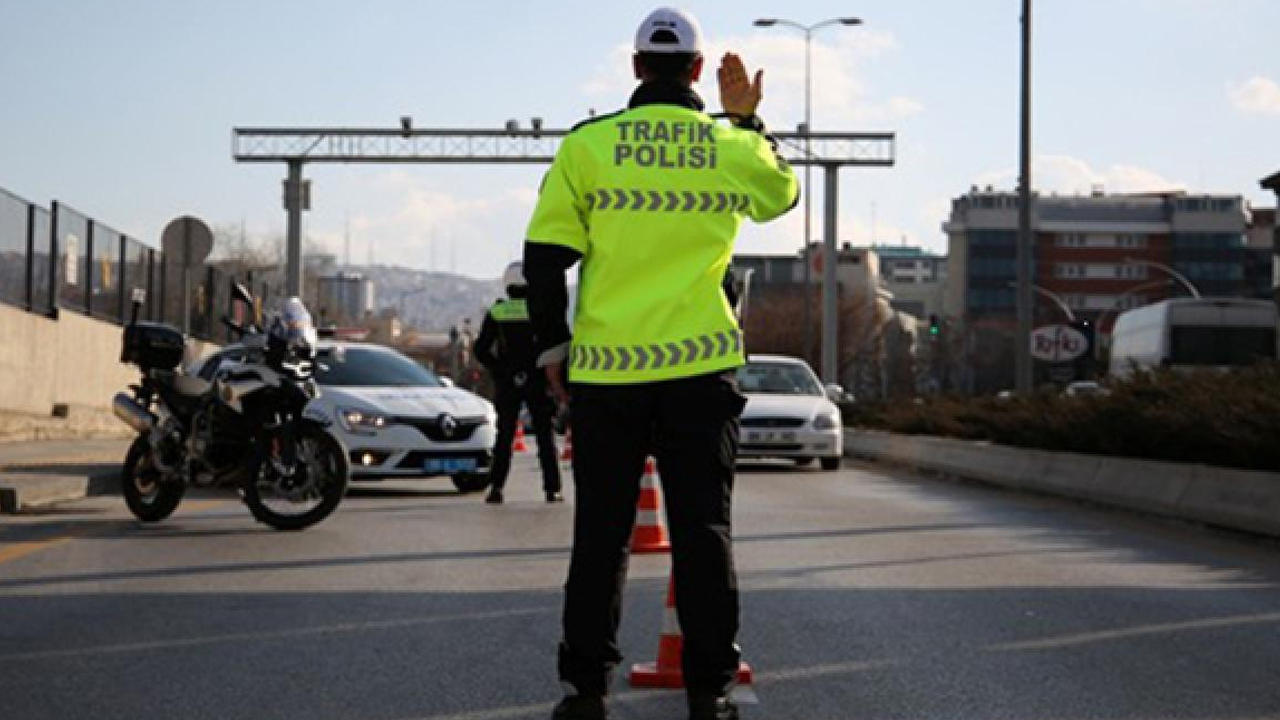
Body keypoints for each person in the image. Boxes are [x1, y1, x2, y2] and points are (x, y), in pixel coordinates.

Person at [521, 7, 798, 720]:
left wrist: (553, 349)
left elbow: (545, 259)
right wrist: (748, 120)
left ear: (637, 66)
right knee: (703, 532)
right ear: (699, 70)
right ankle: (710, 691)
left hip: (607, 376)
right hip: (701, 373)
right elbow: (781, 196)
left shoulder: (589, 146)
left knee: (601, 536)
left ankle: (585, 690)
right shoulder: (730, 144)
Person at [473, 262, 564, 504]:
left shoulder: (498, 312)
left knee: (504, 436)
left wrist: (499, 369)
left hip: (509, 380)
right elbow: (556, 346)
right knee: (545, 435)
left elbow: (480, 349)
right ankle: (552, 489)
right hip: (537, 378)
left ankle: (496, 488)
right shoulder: (540, 310)